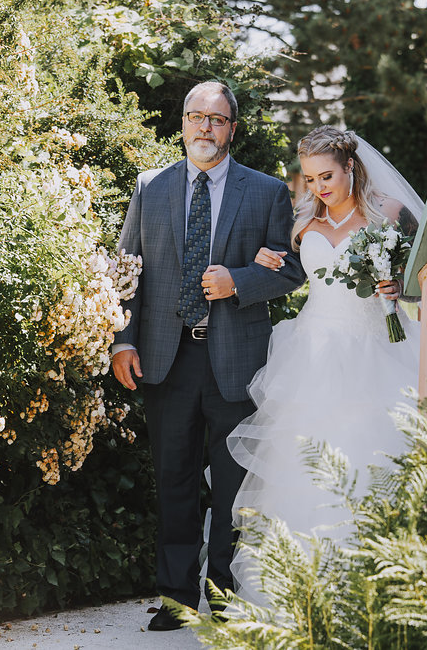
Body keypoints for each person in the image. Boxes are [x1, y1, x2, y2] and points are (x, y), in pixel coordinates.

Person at [111, 81, 307, 630]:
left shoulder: (266, 192)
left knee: (232, 485)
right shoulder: (151, 187)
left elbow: (291, 271)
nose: (205, 127)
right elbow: (128, 269)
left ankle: (224, 597)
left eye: (216, 119)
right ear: (182, 124)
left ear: (232, 129)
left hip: (236, 360)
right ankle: (176, 599)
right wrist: (122, 339)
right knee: (173, 480)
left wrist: (238, 282)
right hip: (163, 357)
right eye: (195, 117)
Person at [226, 125, 425, 602]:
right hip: (311, 354)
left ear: (350, 168)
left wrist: (399, 289)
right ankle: (303, 594)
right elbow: (288, 271)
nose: (319, 187)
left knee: (369, 457)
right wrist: (262, 260)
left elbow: (423, 274)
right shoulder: (302, 222)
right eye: (311, 178)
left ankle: (371, 590)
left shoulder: (390, 215)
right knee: (303, 467)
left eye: (327, 176)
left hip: (374, 350)